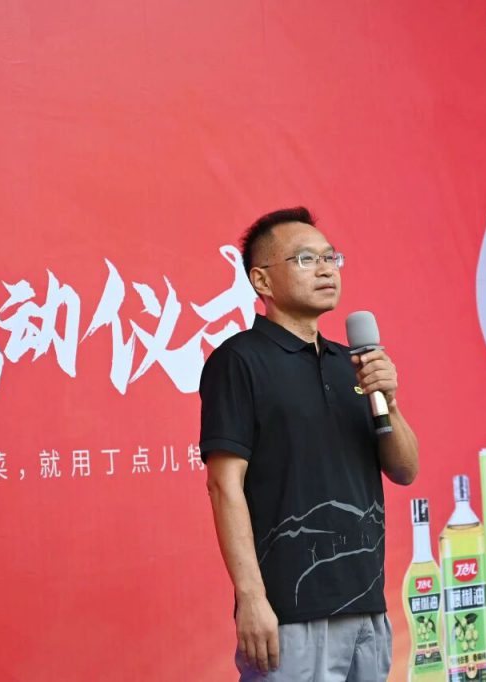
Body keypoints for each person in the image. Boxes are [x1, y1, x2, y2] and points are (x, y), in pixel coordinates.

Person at [199, 207, 420, 681]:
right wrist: (251, 597)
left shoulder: (353, 364)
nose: (325, 269)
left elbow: (405, 470)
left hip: (367, 608)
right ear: (261, 280)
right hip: (289, 615)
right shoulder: (239, 361)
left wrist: (390, 401)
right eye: (305, 259)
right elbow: (223, 486)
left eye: (330, 258)